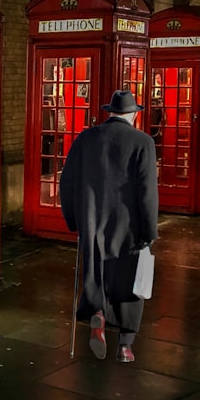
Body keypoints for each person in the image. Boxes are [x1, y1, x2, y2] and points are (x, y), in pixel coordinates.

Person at [59, 90, 159, 363]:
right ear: (134, 115)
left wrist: (73, 220)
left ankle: (97, 314)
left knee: (96, 272)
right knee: (131, 283)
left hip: (92, 222)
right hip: (130, 226)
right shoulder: (143, 142)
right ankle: (125, 346)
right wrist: (150, 231)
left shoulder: (86, 138)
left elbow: (66, 183)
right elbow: (147, 191)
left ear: (110, 112)